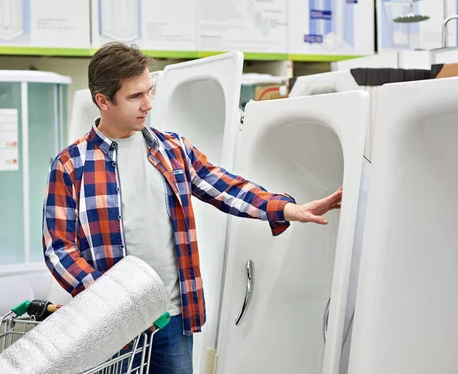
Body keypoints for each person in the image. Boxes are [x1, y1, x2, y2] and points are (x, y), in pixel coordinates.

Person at [42, 42, 342, 374]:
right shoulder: (72, 164)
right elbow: (59, 248)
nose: (148, 104)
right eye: (135, 97)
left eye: (149, 92)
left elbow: (226, 186)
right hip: (111, 325)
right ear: (103, 101)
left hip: (171, 315)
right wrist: (107, 298)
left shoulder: (172, 149)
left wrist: (286, 209)